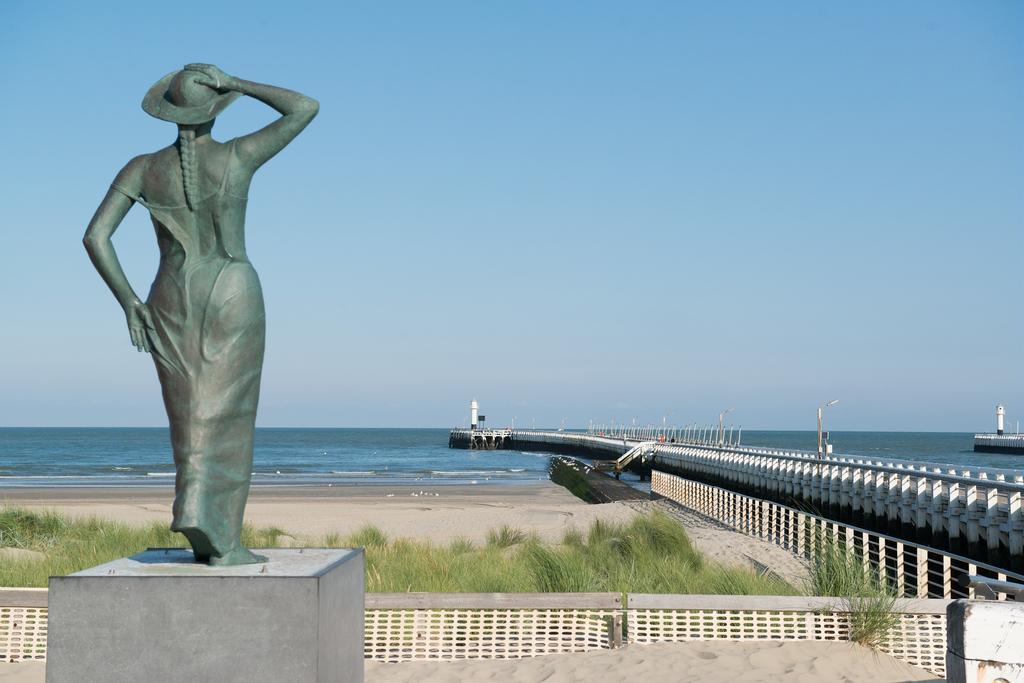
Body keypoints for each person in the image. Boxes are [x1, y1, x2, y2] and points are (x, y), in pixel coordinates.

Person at [83, 64, 318, 565]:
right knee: (229, 416)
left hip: (169, 295)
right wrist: (237, 83)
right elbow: (304, 107)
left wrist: (130, 301)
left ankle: (194, 510)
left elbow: (95, 236)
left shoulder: (142, 168)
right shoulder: (238, 155)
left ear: (170, 113)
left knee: (189, 415)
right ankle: (224, 541)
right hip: (232, 288)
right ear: (214, 108)